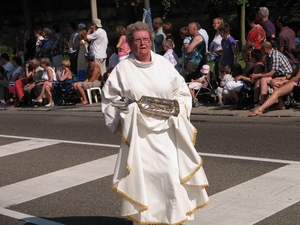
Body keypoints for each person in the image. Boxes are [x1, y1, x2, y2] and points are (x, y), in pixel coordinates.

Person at [101, 21, 209, 225]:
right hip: (140, 134)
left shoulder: (163, 64)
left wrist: (177, 107)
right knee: (147, 179)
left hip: (167, 131)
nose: (142, 43)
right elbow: (110, 99)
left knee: (169, 175)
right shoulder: (123, 69)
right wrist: (129, 109)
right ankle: (146, 219)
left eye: (145, 39)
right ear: (130, 43)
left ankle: (172, 218)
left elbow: (181, 91)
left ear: (151, 41)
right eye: (137, 40)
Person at [249, 45, 300, 116]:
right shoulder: (298, 63)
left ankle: (260, 109)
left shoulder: (275, 55)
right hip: (293, 80)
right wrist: (284, 78)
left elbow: (297, 77)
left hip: (297, 82)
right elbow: (291, 74)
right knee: (274, 82)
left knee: (277, 91)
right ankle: (280, 104)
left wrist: (286, 82)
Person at [250, 41, 293, 106]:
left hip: (285, 76)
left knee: (263, 80)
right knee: (258, 79)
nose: (261, 51)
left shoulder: (275, 55)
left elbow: (272, 73)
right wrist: (256, 76)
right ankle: (255, 102)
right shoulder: (267, 56)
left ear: (265, 49)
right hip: (276, 75)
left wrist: (258, 75)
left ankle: (262, 103)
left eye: (261, 49)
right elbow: (266, 71)